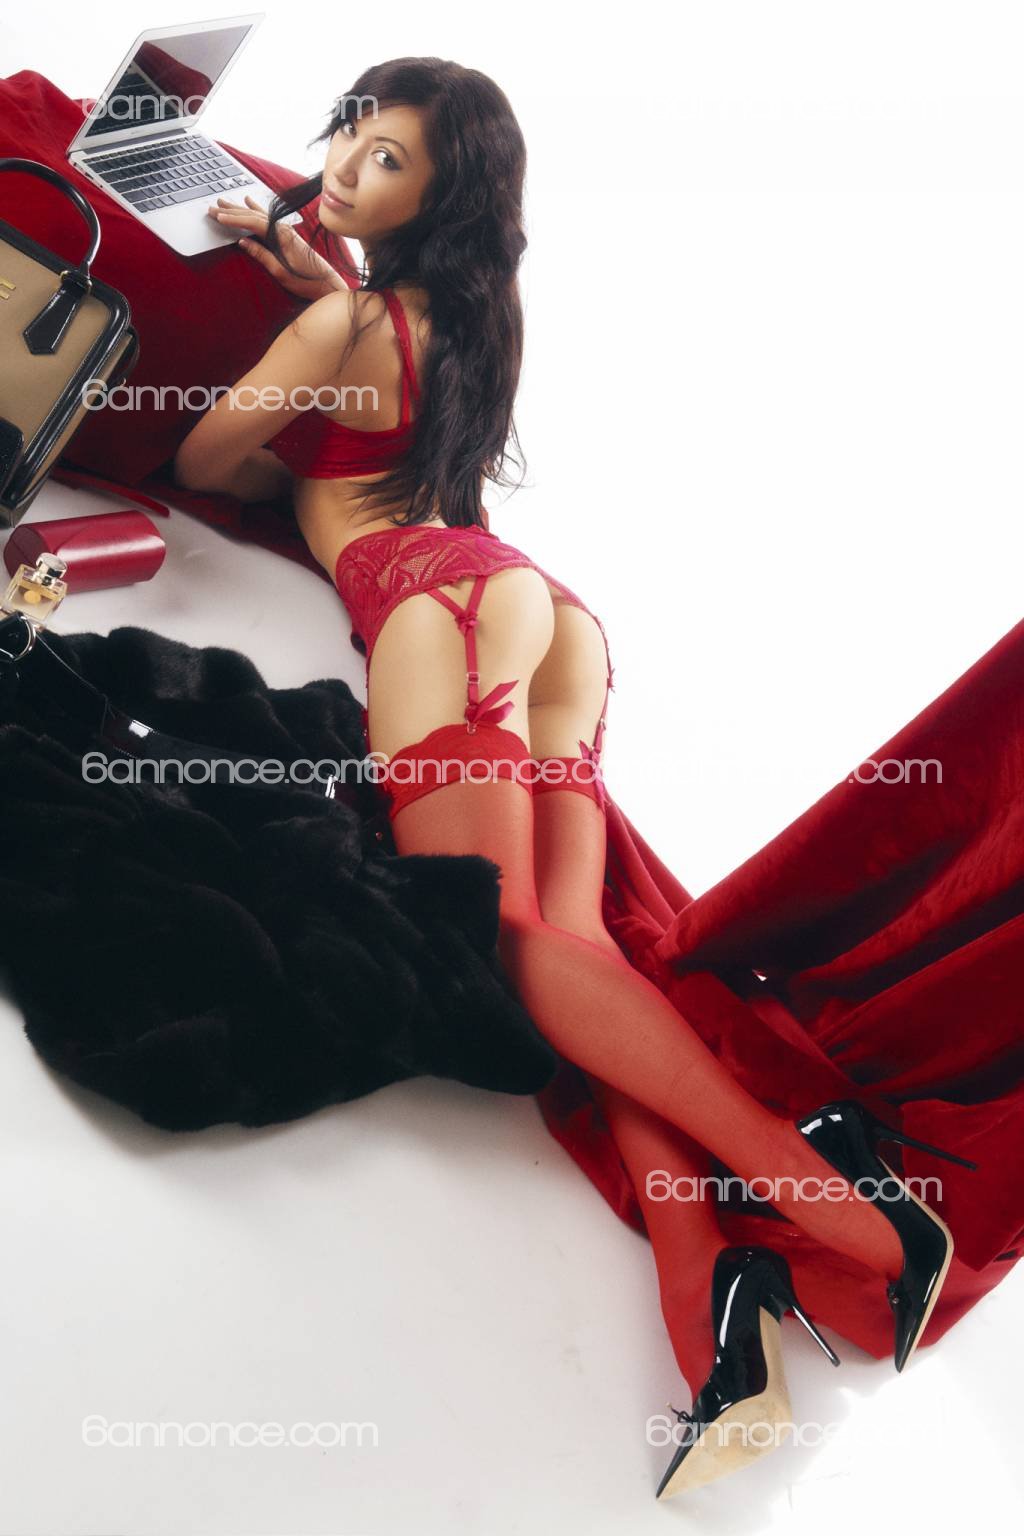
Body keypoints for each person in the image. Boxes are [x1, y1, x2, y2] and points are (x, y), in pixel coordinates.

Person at [173, 57, 978, 1497]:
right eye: (349, 132)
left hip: (436, 604)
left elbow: (207, 458)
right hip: (548, 616)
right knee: (579, 956)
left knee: (503, 933)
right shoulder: (477, 316)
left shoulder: (342, 319)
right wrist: (319, 274)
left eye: (388, 157)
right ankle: (711, 1296)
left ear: (441, 196)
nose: (347, 162)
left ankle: (855, 1211)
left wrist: (298, 359)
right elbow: (389, 395)